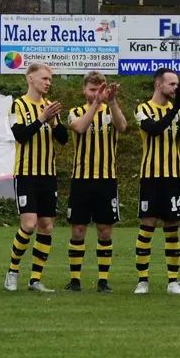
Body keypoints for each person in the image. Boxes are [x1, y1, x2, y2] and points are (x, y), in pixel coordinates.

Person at [5, 62, 69, 293]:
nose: (48, 83)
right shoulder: (18, 105)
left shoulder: (49, 107)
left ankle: (35, 279)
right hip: (26, 174)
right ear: (30, 79)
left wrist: (53, 122)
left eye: (50, 79)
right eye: (44, 78)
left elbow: (63, 139)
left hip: (48, 175)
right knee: (28, 225)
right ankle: (12, 271)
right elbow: (21, 135)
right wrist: (42, 118)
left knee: (46, 226)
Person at [65, 71, 126, 292]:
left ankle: (103, 281)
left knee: (105, 230)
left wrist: (112, 101)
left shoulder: (111, 110)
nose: (95, 93)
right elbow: (80, 127)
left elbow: (122, 127)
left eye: (99, 89)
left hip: (106, 180)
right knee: (78, 230)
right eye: (92, 90)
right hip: (81, 180)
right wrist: (96, 104)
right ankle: (75, 280)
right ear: (84, 90)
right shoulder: (75, 112)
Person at [133, 67, 180, 295]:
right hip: (150, 176)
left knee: (172, 229)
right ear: (159, 84)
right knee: (147, 227)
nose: (176, 88)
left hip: (174, 177)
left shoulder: (177, 110)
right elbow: (154, 129)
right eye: (172, 84)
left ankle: (173, 282)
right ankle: (142, 281)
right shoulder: (142, 109)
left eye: (177, 84)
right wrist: (175, 109)